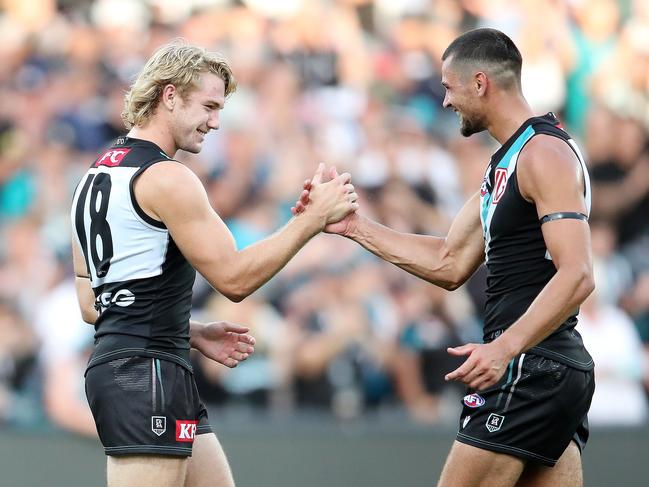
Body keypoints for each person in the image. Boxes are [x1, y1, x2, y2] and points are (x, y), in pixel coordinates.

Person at [294, 28, 595, 487]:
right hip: (546, 369)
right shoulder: (509, 160)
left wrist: (504, 348)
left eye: (449, 87)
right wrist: (353, 226)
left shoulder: (544, 154)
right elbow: (448, 262)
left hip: (531, 365)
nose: (445, 102)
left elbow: (578, 273)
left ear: (480, 83)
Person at [70, 41, 358, 487]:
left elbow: (95, 305)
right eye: (207, 105)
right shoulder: (168, 178)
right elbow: (235, 278)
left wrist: (193, 332)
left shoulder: (94, 175)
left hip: (141, 364)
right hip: (146, 374)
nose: (215, 121)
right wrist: (312, 220)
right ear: (169, 95)